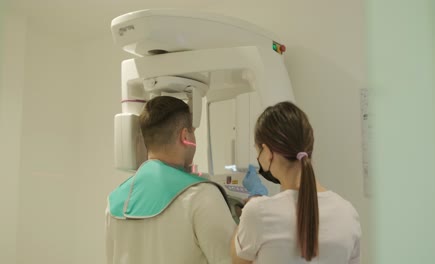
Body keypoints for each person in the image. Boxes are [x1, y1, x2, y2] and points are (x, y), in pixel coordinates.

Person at [106, 96, 236, 264]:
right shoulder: (202, 195)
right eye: (193, 132)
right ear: (185, 136)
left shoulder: (115, 201)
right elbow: (231, 260)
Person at [231, 101, 361, 264]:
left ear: (268, 153)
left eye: (258, 151)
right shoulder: (348, 213)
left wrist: (253, 200)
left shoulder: (258, 212)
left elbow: (238, 260)